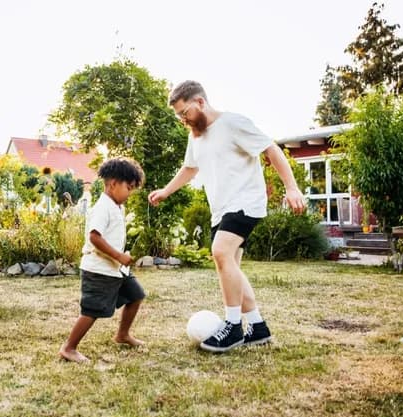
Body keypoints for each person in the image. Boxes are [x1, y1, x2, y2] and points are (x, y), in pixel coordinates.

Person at [148, 81, 305, 353]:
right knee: (230, 265)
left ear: (200, 102)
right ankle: (257, 326)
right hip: (220, 208)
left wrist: (291, 187)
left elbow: (271, 149)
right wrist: (166, 191)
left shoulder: (233, 123)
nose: (182, 120)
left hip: (246, 202)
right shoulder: (195, 136)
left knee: (220, 252)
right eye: (178, 116)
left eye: (184, 112)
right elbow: (189, 168)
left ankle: (233, 326)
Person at [59, 157, 147, 363]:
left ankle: (122, 335)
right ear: (113, 184)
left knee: (136, 295)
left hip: (116, 269)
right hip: (99, 269)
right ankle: (69, 348)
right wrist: (118, 255)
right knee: (92, 310)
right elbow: (94, 237)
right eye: (129, 187)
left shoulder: (116, 206)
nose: (130, 193)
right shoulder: (102, 207)